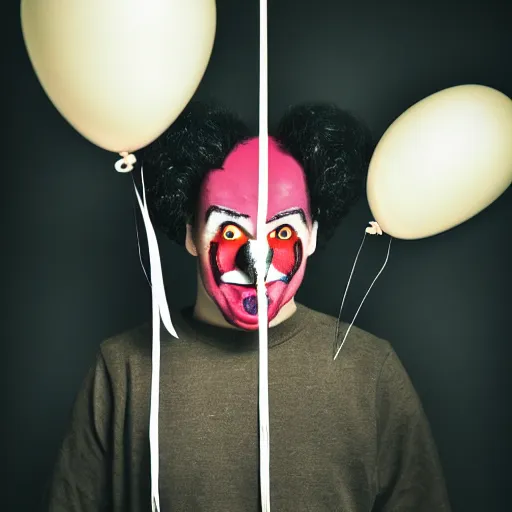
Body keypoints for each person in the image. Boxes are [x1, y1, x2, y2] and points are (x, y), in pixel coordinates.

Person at [45, 102, 452, 511]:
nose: (256, 260)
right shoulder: (123, 370)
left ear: (310, 236)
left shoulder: (371, 370)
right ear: (191, 235)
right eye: (229, 229)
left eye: (283, 231)